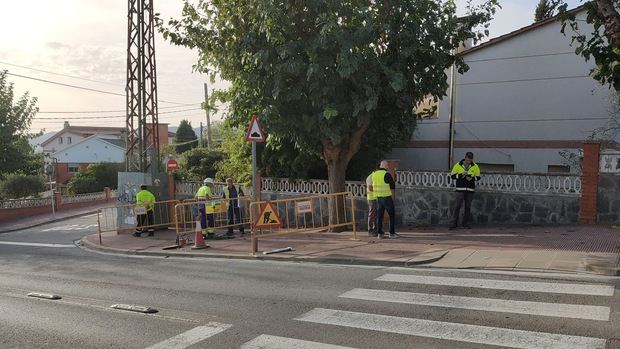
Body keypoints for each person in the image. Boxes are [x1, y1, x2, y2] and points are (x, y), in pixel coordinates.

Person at [450, 152, 481, 230]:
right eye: (468, 158)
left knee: (467, 207)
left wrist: (472, 178)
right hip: (460, 189)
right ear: (465, 157)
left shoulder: (475, 166)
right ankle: (454, 223)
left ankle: (465, 223)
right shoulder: (458, 165)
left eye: (470, 159)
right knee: (457, 206)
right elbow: (453, 176)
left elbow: (478, 177)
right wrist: (461, 175)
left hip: (470, 190)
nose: (469, 160)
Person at [371, 160, 397, 239]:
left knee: (379, 216)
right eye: (387, 166)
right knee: (391, 215)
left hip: (378, 198)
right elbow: (393, 186)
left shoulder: (374, 174)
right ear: (386, 166)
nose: (388, 167)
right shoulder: (387, 174)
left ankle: (380, 233)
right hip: (386, 197)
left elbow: (372, 185)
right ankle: (391, 233)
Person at [365, 173, 377, 237]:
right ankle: (370, 230)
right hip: (371, 198)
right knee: (372, 214)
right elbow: (370, 188)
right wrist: (378, 191)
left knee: (375, 214)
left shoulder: (374, 176)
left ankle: (375, 230)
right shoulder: (370, 177)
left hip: (375, 197)